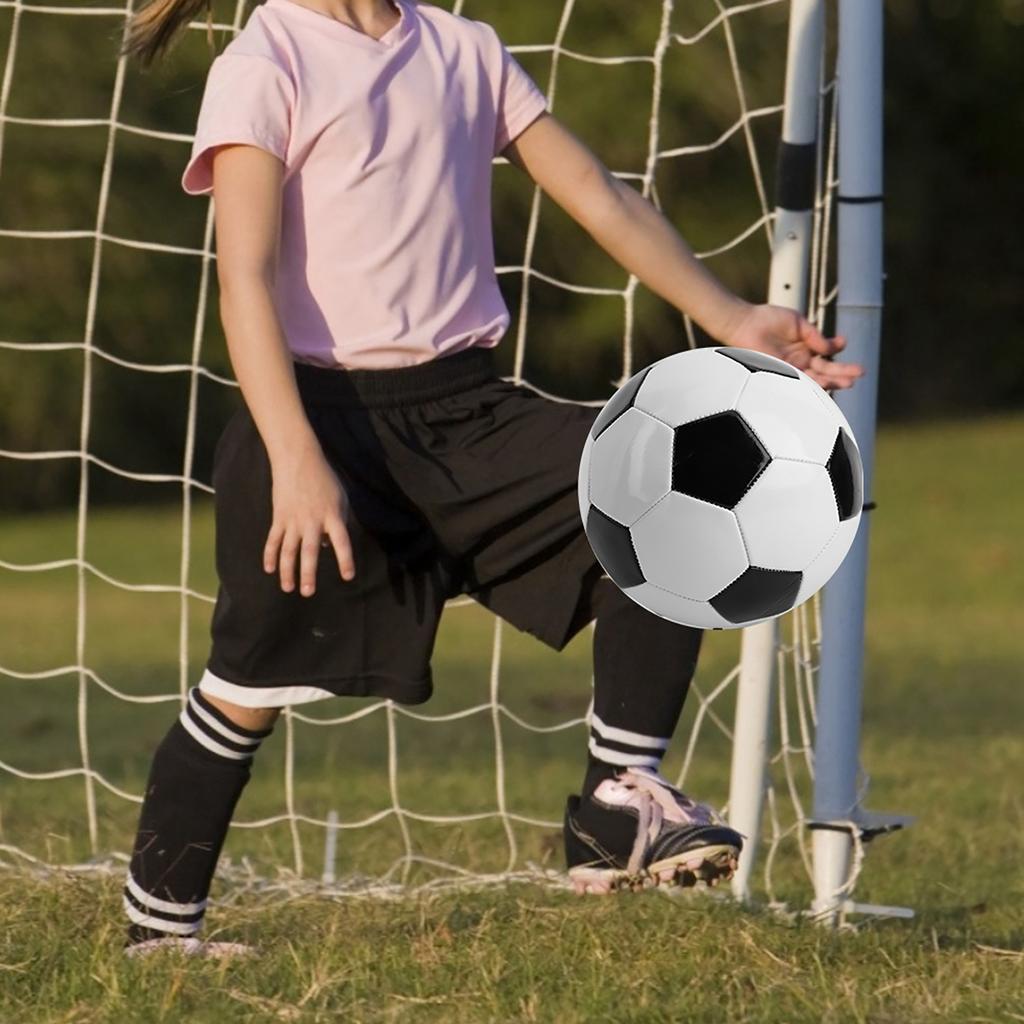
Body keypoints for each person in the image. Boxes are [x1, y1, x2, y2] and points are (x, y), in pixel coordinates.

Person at [117, 0, 864, 959]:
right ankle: (161, 929)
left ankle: (617, 804)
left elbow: (598, 193)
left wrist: (727, 315)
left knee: (668, 486)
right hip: (319, 428)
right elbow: (246, 278)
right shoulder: (267, 62)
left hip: (469, 412)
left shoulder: (464, 48)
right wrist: (295, 458)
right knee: (246, 690)